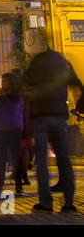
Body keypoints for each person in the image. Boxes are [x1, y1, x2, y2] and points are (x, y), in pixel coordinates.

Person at [25, 46, 82, 213]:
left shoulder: (36, 61)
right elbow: (77, 84)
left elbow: (27, 83)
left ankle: (46, 202)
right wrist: (78, 105)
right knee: (63, 158)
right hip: (59, 115)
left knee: (42, 161)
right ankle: (69, 202)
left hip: (40, 115)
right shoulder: (63, 61)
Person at [0, 72, 25, 196]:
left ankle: (18, 185)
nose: (2, 83)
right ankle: (1, 185)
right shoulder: (2, 98)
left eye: (4, 80)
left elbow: (19, 112)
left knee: (15, 159)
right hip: (4, 130)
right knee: (2, 159)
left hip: (14, 129)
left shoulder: (17, 97)